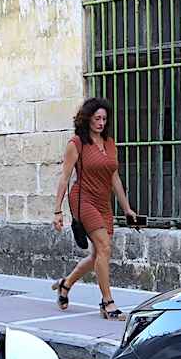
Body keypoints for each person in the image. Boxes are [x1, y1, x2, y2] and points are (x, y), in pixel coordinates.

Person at [52, 97, 141, 320]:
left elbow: (115, 178)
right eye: (97, 118)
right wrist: (57, 211)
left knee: (97, 255)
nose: (101, 122)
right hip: (83, 199)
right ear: (88, 119)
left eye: (104, 119)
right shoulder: (77, 144)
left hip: (103, 202)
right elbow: (65, 178)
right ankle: (107, 303)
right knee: (104, 246)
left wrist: (127, 209)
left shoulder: (110, 143)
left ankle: (66, 283)